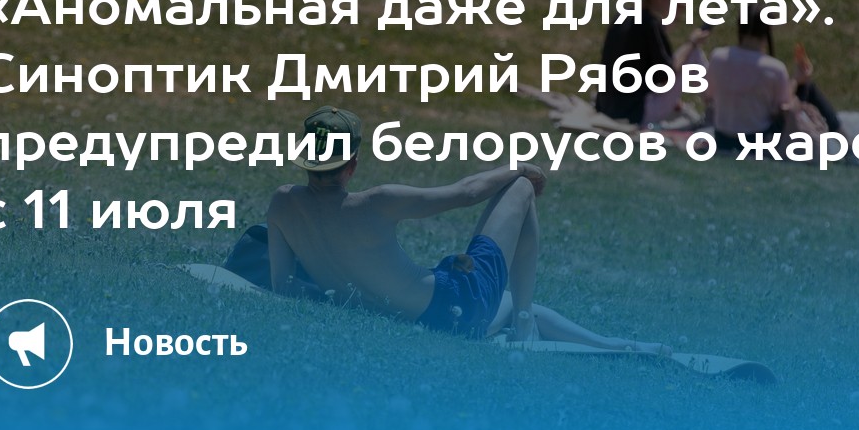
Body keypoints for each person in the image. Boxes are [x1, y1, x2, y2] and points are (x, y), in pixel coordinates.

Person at [267, 105, 669, 353]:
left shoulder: (282, 203)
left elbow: (283, 285)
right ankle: (525, 326)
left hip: (424, 316)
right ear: (352, 164)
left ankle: (610, 344)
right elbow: (466, 193)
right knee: (519, 189)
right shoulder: (375, 202)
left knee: (507, 303)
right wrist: (522, 167)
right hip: (456, 307)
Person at [699, 9, 841, 151]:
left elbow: (708, 96)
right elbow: (784, 107)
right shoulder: (774, 68)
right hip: (757, 141)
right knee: (807, 88)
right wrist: (796, 80)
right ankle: (844, 141)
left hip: (723, 137)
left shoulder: (717, 57)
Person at [595, 0, 711, 127]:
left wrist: (674, 18)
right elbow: (665, 75)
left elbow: (650, 42)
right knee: (693, 53)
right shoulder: (649, 24)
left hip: (607, 107)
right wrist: (692, 42)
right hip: (635, 113)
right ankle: (718, 110)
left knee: (687, 51)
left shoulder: (624, 16)